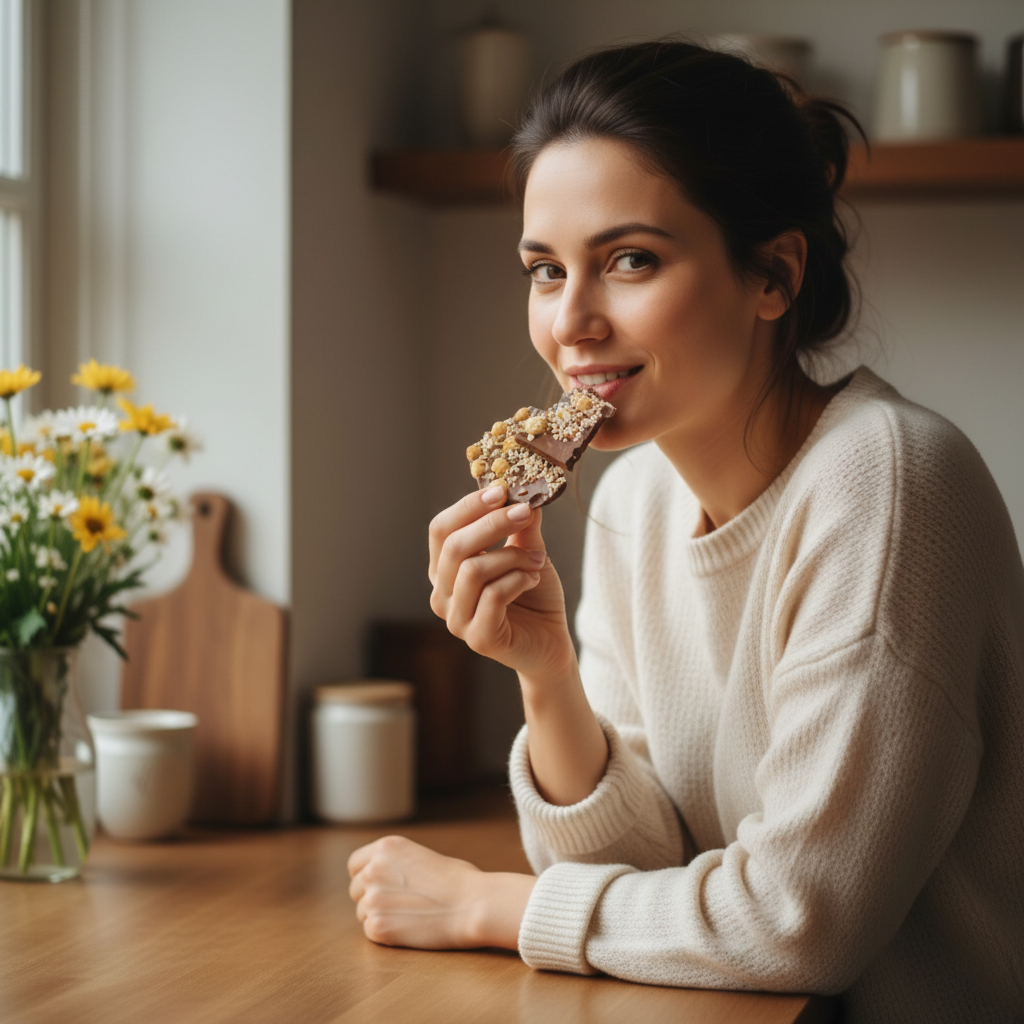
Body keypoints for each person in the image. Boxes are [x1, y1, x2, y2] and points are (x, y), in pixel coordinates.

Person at [347, 40, 1024, 1023]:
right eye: (544, 269)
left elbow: (799, 920)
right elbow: (642, 870)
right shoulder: (633, 500)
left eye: (629, 260)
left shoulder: (885, 483)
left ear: (772, 277)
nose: (570, 321)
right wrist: (545, 672)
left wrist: (490, 905)